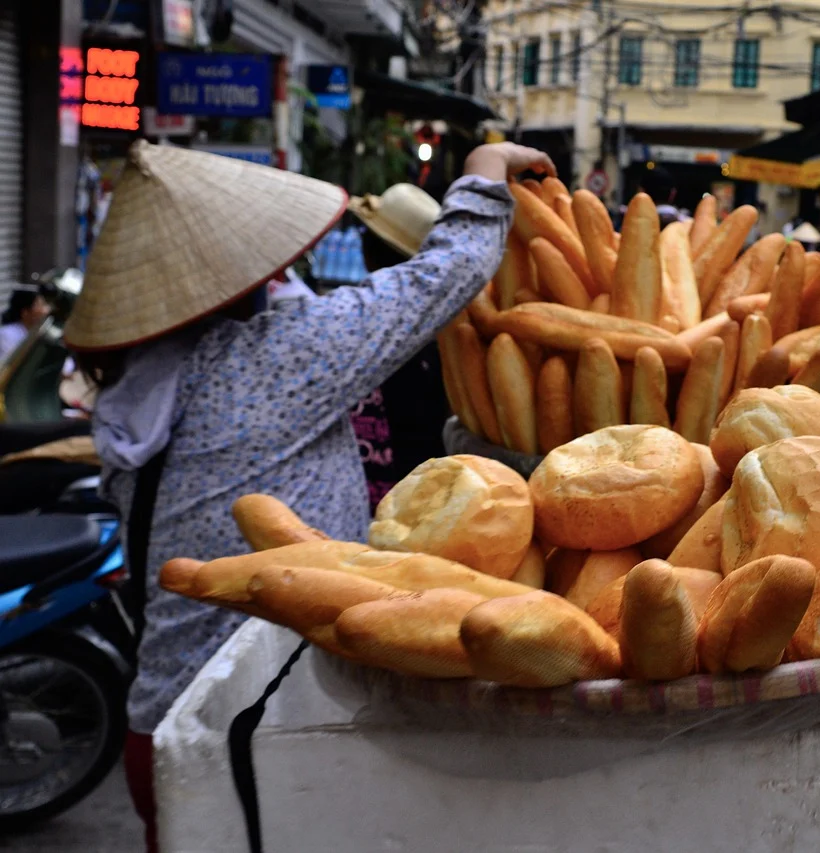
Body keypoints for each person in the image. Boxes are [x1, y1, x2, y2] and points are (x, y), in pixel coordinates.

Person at [63, 139, 553, 851]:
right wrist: (481, 171)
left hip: (161, 730)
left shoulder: (133, 390)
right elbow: (445, 276)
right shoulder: (275, 358)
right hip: (258, 741)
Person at [346, 183, 449, 510]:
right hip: (417, 511)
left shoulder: (342, 323)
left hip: (352, 509)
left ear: (366, 252)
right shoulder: (444, 338)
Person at [0, 285, 52, 363]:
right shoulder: (6, 335)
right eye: (40, 305)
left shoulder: (37, 333)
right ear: (25, 313)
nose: (46, 310)